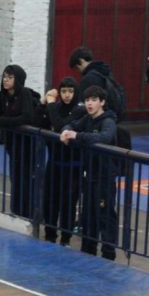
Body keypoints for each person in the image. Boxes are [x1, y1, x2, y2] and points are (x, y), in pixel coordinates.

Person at [60, 85, 118, 260]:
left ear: (102, 102)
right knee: (89, 214)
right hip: (90, 175)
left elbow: (103, 138)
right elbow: (72, 124)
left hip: (104, 176)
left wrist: (77, 136)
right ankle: (88, 249)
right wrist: (66, 131)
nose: (90, 104)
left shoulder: (108, 122)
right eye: (87, 100)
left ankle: (108, 253)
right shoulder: (87, 119)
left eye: (94, 100)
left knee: (104, 215)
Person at [0, 64, 38, 219]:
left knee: (26, 178)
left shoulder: (25, 95)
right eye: (4, 77)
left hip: (26, 144)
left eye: (10, 77)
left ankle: (28, 213)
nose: (6, 80)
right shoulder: (3, 95)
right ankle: (16, 210)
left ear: (18, 79)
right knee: (15, 177)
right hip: (12, 143)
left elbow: (25, 117)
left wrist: (0, 121)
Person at [41, 77, 81, 245]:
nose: (67, 95)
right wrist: (43, 102)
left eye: (70, 91)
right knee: (50, 200)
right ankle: (50, 234)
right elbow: (39, 120)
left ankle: (66, 236)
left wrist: (50, 105)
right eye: (64, 91)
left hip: (73, 166)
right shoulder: (55, 107)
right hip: (54, 163)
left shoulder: (80, 111)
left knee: (69, 203)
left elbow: (59, 125)